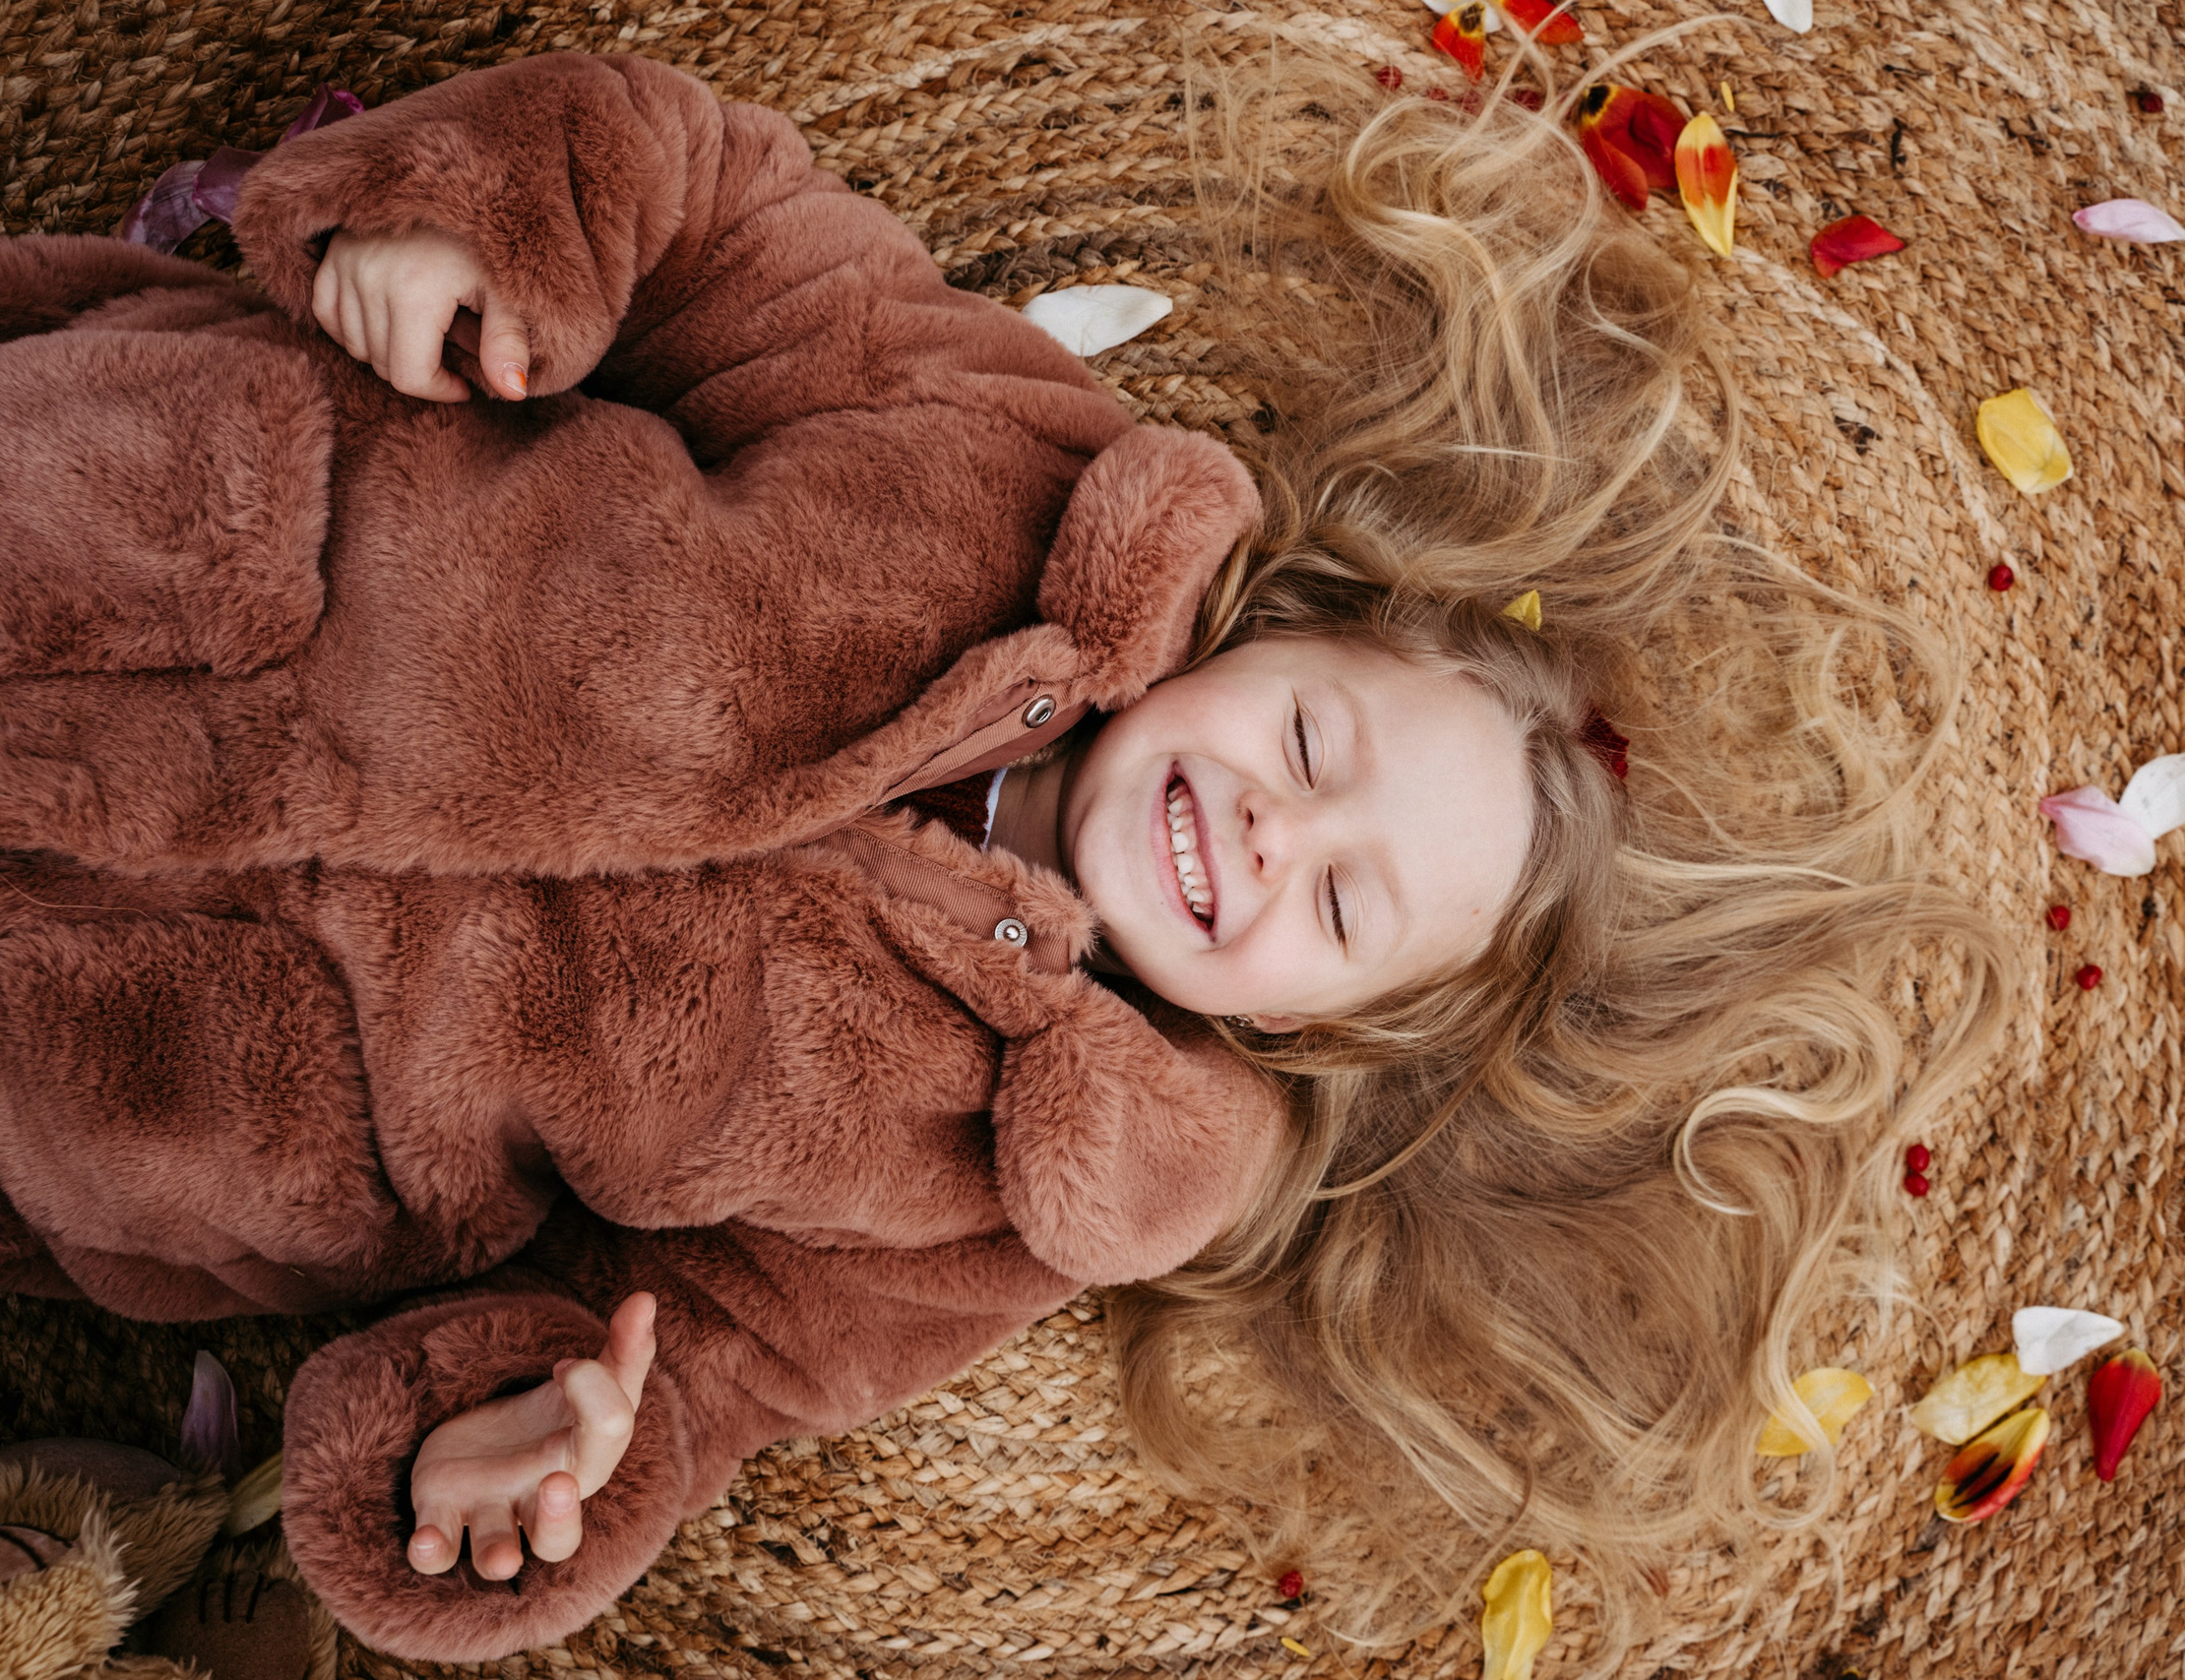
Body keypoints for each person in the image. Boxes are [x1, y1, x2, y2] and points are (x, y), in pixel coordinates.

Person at [0, 36, 2009, 1669]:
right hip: (154, 536)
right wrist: (497, 233)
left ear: (1313, 1032)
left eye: (1333, 899)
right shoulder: (1000, 459)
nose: (1269, 825)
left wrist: (528, 1449)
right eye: (1311, 739)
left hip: (145, 1068)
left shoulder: (991, 1208)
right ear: (1272, 619)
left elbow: (689, 1368)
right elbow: (705, 194)